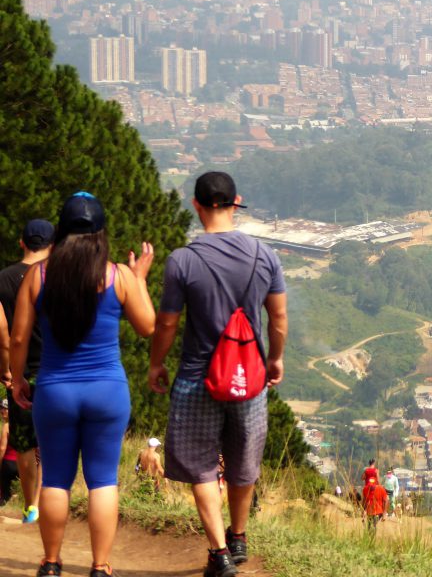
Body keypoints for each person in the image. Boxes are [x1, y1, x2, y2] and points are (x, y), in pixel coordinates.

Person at [149, 171, 288, 577]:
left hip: (197, 378)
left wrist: (157, 363)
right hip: (250, 380)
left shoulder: (183, 260)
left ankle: (220, 552)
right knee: (244, 461)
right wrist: (275, 359)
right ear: (236, 202)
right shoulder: (265, 255)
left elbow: (168, 323)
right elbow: (277, 317)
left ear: (196, 205)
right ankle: (240, 534)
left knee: (203, 467)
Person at [10, 192, 155, 577]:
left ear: (60, 231)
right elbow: (148, 326)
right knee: (102, 480)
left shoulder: (37, 277)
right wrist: (138, 279)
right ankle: (100, 566)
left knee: (56, 478)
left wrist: (18, 379)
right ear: (101, 233)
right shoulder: (118, 276)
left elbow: (20, 337)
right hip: (107, 391)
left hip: (55, 390)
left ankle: (52, 563)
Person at [0, 219, 54, 524]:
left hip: (22, 372)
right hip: (57, 369)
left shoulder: (4, 279)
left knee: (23, 442)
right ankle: (44, 499)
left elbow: (4, 332)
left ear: (22, 242)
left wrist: (7, 370)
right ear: (52, 245)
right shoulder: (58, 277)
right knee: (50, 439)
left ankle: (30, 506)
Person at [1, 399, 20, 506]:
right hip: (22, 464)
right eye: (1, 409)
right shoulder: (22, 424)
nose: (2, 411)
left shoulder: (7, 426)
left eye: (4, 409)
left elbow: (2, 448)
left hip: (8, 463)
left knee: (5, 495)